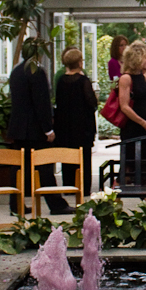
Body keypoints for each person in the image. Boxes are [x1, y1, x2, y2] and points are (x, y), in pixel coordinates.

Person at [7, 40, 73, 215]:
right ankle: (56, 204)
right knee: (44, 167)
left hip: (19, 128)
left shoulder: (16, 71)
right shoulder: (37, 71)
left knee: (18, 168)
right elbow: (41, 102)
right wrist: (48, 129)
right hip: (34, 129)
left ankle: (16, 205)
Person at [53, 46, 98, 197]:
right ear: (79, 63)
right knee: (83, 157)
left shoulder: (61, 81)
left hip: (65, 125)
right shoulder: (83, 81)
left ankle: (68, 186)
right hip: (82, 125)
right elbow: (91, 103)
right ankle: (83, 187)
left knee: (67, 157)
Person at [118, 40, 146, 183]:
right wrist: (143, 122)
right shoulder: (126, 78)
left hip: (144, 124)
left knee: (144, 163)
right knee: (129, 162)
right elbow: (124, 106)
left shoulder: (142, 77)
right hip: (132, 126)